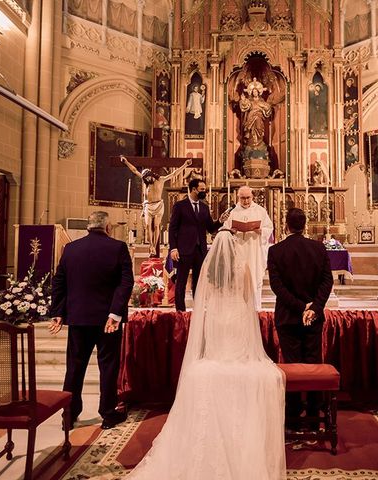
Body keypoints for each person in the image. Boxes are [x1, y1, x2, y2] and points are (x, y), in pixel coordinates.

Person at [126, 231, 286, 480]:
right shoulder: (242, 267)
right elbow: (247, 299)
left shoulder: (208, 271)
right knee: (244, 365)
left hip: (217, 319)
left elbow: (203, 300)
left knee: (215, 360)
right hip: (236, 317)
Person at [49, 211, 134, 429]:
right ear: (107, 227)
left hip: (78, 318)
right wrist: (115, 313)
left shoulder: (71, 248)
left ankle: (69, 415)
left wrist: (58, 312)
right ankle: (107, 413)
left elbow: (59, 281)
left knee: (75, 368)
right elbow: (125, 283)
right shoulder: (118, 248)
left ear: (88, 227)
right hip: (108, 320)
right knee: (108, 366)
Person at [267, 208, 333, 428]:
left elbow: (278, 287)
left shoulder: (276, 251)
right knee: (313, 362)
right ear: (305, 225)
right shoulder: (318, 248)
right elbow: (327, 281)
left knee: (292, 364)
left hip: (287, 317)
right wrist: (313, 307)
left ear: (286, 225)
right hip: (313, 316)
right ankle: (314, 414)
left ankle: (294, 415)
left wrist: (299, 307)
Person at [168, 178, 229, 311]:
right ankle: (180, 310)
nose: (204, 192)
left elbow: (210, 228)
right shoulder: (180, 206)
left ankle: (198, 309)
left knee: (198, 281)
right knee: (181, 281)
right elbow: (172, 228)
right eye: (202, 190)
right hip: (183, 249)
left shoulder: (204, 207)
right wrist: (173, 248)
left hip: (199, 250)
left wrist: (220, 220)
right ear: (194, 189)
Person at [120, 155, 192, 256]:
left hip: (158, 205)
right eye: (145, 178)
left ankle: (154, 245)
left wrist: (185, 165)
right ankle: (152, 246)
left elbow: (174, 173)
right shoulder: (146, 180)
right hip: (148, 206)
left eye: (147, 177)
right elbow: (134, 170)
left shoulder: (161, 179)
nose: (146, 180)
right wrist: (126, 162)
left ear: (151, 175)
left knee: (157, 225)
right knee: (148, 225)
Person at [222, 185, 273, 310]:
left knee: (255, 279)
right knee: (238, 280)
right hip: (238, 250)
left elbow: (269, 228)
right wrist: (231, 231)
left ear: (252, 197)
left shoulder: (260, 211)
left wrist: (261, 231)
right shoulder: (232, 212)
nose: (245, 201)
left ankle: (256, 308)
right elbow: (224, 230)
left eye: (248, 198)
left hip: (254, 251)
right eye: (242, 198)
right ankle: (238, 309)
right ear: (238, 197)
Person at [239, 78, 273, 149]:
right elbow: (245, 106)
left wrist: (267, 107)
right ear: (251, 92)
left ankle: (259, 144)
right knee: (251, 131)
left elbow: (267, 108)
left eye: (256, 91)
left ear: (258, 92)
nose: (255, 93)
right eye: (253, 92)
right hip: (250, 117)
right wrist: (243, 100)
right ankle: (251, 144)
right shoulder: (250, 101)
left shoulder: (262, 101)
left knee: (259, 128)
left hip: (259, 118)